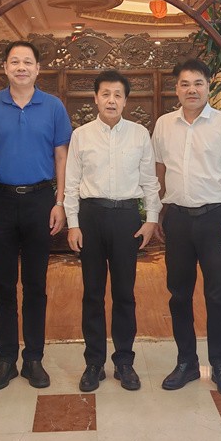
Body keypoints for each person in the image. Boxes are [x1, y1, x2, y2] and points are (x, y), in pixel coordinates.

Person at [0, 40, 72, 390]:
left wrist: (60, 202)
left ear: (38, 68)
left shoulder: (53, 106)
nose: (21, 67)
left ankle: (33, 358)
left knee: (35, 284)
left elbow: (62, 157)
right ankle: (5, 359)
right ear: (5, 67)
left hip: (40, 200)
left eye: (27, 62)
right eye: (14, 61)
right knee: (1, 283)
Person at [151, 58, 221, 398]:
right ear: (176, 89)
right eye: (185, 84)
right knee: (178, 294)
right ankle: (186, 362)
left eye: (198, 83)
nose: (191, 89)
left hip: (214, 218)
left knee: (217, 294)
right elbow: (158, 170)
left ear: (208, 86)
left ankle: (220, 365)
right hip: (177, 218)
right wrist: (157, 212)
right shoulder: (164, 124)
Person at [64, 70, 161, 392]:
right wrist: (73, 223)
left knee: (124, 293)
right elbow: (71, 183)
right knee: (92, 294)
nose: (111, 100)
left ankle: (124, 362)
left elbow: (149, 181)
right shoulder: (81, 135)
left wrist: (151, 219)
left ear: (125, 100)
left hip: (125, 218)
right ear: (95, 98)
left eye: (118, 94)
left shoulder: (139, 134)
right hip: (91, 217)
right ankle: (93, 363)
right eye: (105, 93)